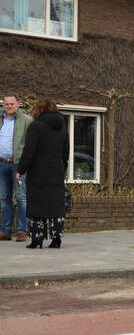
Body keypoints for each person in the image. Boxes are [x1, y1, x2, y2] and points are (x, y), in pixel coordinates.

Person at [16, 99, 68, 249]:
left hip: (38, 171)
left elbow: (29, 151)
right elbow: (66, 151)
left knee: (37, 204)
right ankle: (56, 239)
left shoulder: (36, 126)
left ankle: (37, 239)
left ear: (39, 109)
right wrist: (62, 167)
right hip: (56, 170)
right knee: (56, 205)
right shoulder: (63, 125)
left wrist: (21, 169)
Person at [0, 92, 32, 242]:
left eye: (12, 103)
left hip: (18, 165)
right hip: (1, 164)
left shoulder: (27, 121)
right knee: (4, 198)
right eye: (6, 103)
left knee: (21, 198)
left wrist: (25, 165)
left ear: (18, 104)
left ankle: (22, 230)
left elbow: (31, 145)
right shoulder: (0, 119)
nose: (9, 106)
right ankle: (5, 231)